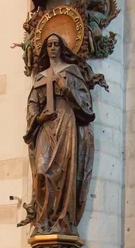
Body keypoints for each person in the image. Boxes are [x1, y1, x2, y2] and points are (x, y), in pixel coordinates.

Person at [18, 32, 98, 236]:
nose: (53, 48)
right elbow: (32, 104)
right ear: (45, 49)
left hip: (66, 120)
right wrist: (38, 118)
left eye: (56, 44)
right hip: (46, 123)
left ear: (62, 47)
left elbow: (85, 101)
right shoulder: (41, 76)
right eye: (49, 45)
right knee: (41, 172)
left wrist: (66, 88)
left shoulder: (71, 71)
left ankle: (62, 221)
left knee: (64, 171)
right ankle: (42, 221)